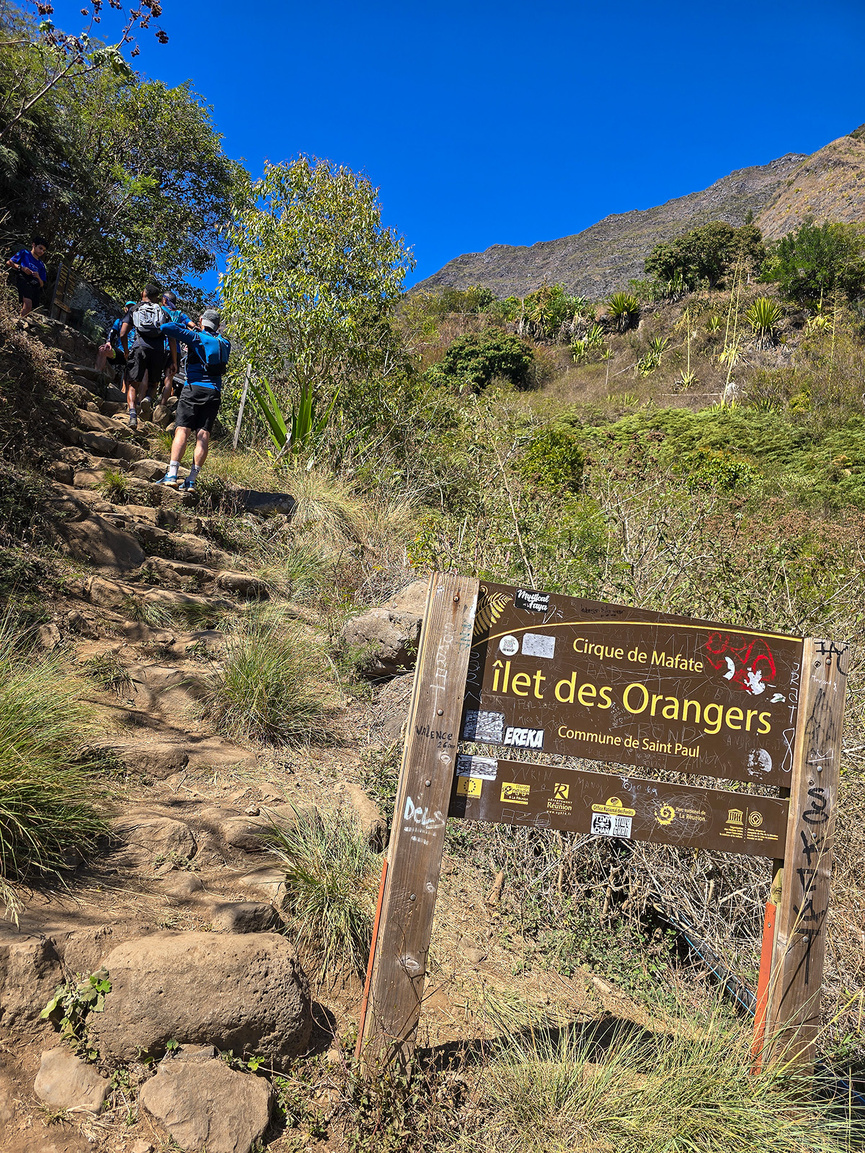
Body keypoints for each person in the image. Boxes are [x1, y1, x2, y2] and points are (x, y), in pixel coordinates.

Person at [155, 309, 230, 490]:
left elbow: (166, 327)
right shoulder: (225, 343)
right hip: (214, 392)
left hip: (193, 388)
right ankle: (191, 480)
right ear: (218, 326)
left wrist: (188, 326)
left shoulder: (196, 336)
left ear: (202, 320)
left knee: (182, 430)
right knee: (203, 435)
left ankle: (172, 474)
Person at [118, 285, 176, 428]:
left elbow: (122, 333)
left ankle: (132, 416)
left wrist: (126, 351)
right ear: (157, 297)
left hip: (139, 347)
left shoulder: (134, 308)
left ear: (143, 293)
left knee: (132, 384)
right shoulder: (163, 312)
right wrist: (174, 361)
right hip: (158, 351)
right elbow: (172, 338)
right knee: (154, 383)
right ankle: (148, 399)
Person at [159, 290, 194, 405]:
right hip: (176, 350)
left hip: (159, 346)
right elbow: (192, 325)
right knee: (169, 377)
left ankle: (144, 400)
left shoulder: (160, 310)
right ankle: (161, 407)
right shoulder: (180, 314)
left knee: (151, 375)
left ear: (164, 300)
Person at [6, 237, 48, 317]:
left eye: (44, 250)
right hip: (23, 279)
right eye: (40, 248)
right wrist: (21, 268)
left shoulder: (41, 265)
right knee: (28, 305)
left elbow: (42, 284)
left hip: (34, 286)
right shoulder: (24, 253)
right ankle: (19, 322)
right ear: (33, 245)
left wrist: (38, 277)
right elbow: (9, 262)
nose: (42, 251)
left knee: (31, 307)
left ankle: (21, 322)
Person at [96, 300, 135, 379]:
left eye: (132, 308)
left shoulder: (139, 324)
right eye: (128, 307)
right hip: (121, 352)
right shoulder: (119, 321)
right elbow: (112, 333)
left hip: (134, 354)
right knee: (103, 350)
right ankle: (97, 376)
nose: (130, 309)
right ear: (125, 309)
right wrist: (108, 342)